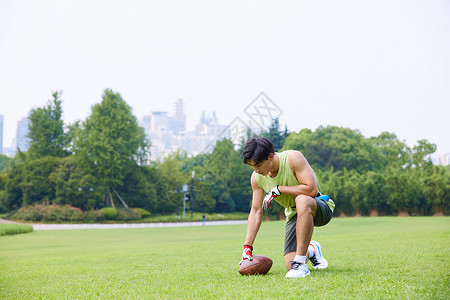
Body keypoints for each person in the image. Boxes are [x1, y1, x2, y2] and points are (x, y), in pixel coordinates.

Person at [240, 137, 335, 278]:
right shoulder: (257, 178)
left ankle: (301, 265)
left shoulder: (293, 158)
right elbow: (256, 210)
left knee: (301, 200)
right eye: (252, 166)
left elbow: (311, 190)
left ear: (271, 156)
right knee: (290, 265)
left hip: (317, 205)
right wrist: (247, 247)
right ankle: (312, 250)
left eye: (258, 164)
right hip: (293, 214)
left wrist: (279, 189)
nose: (256, 170)